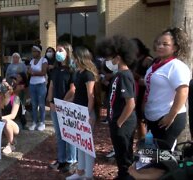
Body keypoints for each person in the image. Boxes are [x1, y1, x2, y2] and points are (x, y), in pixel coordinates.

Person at [96, 35, 137, 179]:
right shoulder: (117, 75)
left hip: (123, 123)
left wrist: (119, 122)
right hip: (116, 121)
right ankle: (122, 176)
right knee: (120, 155)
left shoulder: (125, 75)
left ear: (118, 58)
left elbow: (130, 103)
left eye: (110, 57)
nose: (109, 61)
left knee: (125, 156)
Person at [144, 28, 190, 150]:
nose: (160, 46)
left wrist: (171, 116)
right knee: (156, 156)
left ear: (175, 48)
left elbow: (183, 91)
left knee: (164, 158)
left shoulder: (177, 66)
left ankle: (177, 168)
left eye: (165, 44)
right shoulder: (155, 65)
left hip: (168, 117)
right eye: (158, 43)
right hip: (153, 117)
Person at [65, 46, 99, 179]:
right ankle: (80, 171)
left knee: (87, 146)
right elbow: (78, 94)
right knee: (80, 143)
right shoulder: (78, 73)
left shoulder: (88, 74)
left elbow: (91, 96)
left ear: (80, 58)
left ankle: (88, 175)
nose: (73, 59)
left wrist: (88, 114)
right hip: (78, 112)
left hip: (86, 113)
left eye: (75, 57)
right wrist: (67, 103)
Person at [47, 42, 77, 173]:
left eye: (61, 50)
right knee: (59, 135)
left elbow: (73, 89)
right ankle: (61, 159)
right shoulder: (55, 69)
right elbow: (51, 86)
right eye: (57, 50)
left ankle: (71, 161)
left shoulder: (73, 69)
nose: (57, 53)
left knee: (69, 135)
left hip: (68, 106)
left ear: (68, 52)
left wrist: (62, 103)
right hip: (55, 106)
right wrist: (50, 101)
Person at [0, 81, 21, 155]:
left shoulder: (15, 98)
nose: (2, 86)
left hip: (15, 124)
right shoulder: (0, 98)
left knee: (7, 122)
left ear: (10, 87)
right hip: (2, 122)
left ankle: (11, 144)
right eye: (2, 84)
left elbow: (13, 116)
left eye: (5, 85)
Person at [131, 38, 154, 140]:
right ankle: (141, 143)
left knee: (142, 121)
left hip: (144, 92)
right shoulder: (134, 60)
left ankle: (145, 145)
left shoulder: (147, 60)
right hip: (135, 91)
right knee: (138, 120)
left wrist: (134, 75)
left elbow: (150, 78)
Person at [28, 44, 48, 131]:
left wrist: (33, 73)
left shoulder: (44, 60)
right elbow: (28, 70)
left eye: (34, 51)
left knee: (41, 104)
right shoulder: (32, 61)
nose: (32, 53)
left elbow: (43, 72)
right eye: (32, 51)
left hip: (41, 84)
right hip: (32, 84)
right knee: (34, 104)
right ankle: (34, 122)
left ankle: (42, 122)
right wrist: (31, 72)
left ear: (38, 52)